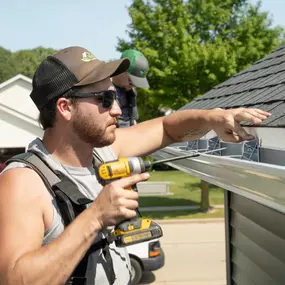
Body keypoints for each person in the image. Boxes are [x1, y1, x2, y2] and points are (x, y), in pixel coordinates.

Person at [0, 46, 270, 285]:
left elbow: (168, 128)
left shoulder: (104, 152)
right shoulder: (24, 181)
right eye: (104, 100)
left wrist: (214, 118)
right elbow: (13, 279)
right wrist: (95, 218)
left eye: (115, 96)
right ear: (65, 107)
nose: (117, 110)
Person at [111, 49, 149, 127]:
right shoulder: (103, 88)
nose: (133, 85)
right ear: (122, 69)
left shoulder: (130, 91)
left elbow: (133, 121)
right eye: (131, 81)